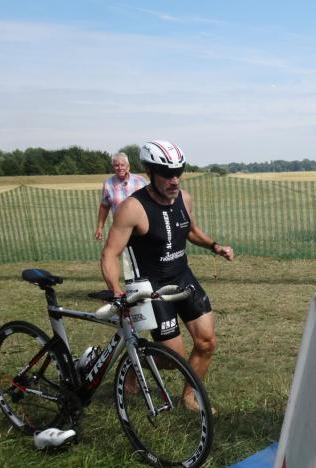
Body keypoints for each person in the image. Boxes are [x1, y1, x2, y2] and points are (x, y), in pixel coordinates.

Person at [100, 140, 234, 411]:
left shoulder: (184, 198)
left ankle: (188, 398)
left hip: (182, 277)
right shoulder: (132, 208)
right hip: (152, 288)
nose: (174, 180)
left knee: (207, 342)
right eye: (167, 174)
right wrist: (115, 290)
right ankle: (135, 363)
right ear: (150, 172)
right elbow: (110, 254)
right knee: (172, 359)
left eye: (178, 173)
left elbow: (190, 230)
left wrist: (214, 246)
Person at [95, 152, 146, 241]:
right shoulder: (108, 184)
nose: (120, 168)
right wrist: (100, 227)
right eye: (117, 165)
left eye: (123, 165)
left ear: (128, 166)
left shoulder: (140, 181)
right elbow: (104, 206)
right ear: (113, 167)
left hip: (141, 228)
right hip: (120, 230)